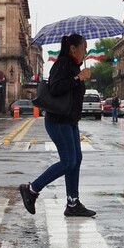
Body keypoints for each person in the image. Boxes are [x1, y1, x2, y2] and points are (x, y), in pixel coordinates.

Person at [19, 34, 95, 217]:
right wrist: (78, 77)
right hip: (58, 121)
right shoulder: (63, 64)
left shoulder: (73, 66)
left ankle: (72, 203)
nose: (86, 51)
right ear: (73, 49)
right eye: (84, 47)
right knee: (68, 161)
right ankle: (31, 189)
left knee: (76, 160)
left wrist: (79, 75)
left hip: (69, 121)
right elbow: (55, 88)